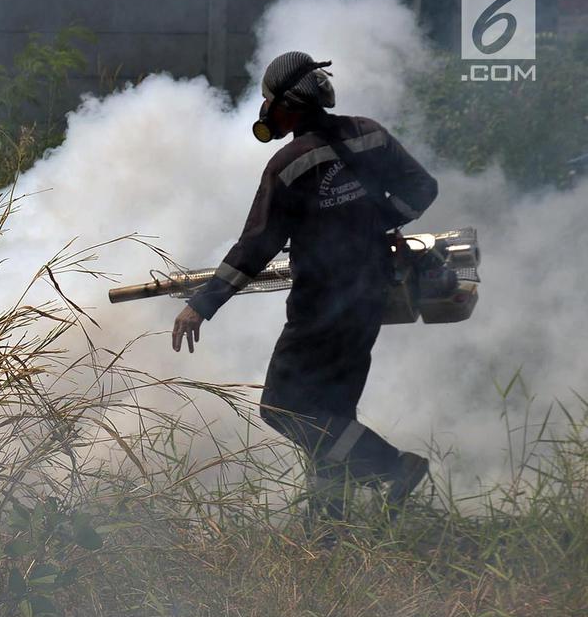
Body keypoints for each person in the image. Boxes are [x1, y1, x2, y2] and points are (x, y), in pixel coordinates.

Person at [171, 51, 438, 521]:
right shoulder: (369, 134)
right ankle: (327, 529)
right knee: (333, 417)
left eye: (268, 101)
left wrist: (202, 304)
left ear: (286, 106)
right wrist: (378, 220)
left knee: (284, 408)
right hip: (372, 294)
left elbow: (256, 246)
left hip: (321, 308)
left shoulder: (289, 165)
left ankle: (395, 467)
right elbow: (423, 188)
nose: (265, 110)